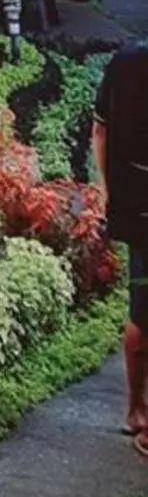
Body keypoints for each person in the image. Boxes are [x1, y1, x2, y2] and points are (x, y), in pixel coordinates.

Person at [93, 39, 148, 447]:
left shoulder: (124, 62)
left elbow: (100, 130)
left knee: (141, 307)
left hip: (136, 204)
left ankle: (135, 408)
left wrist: (107, 189)